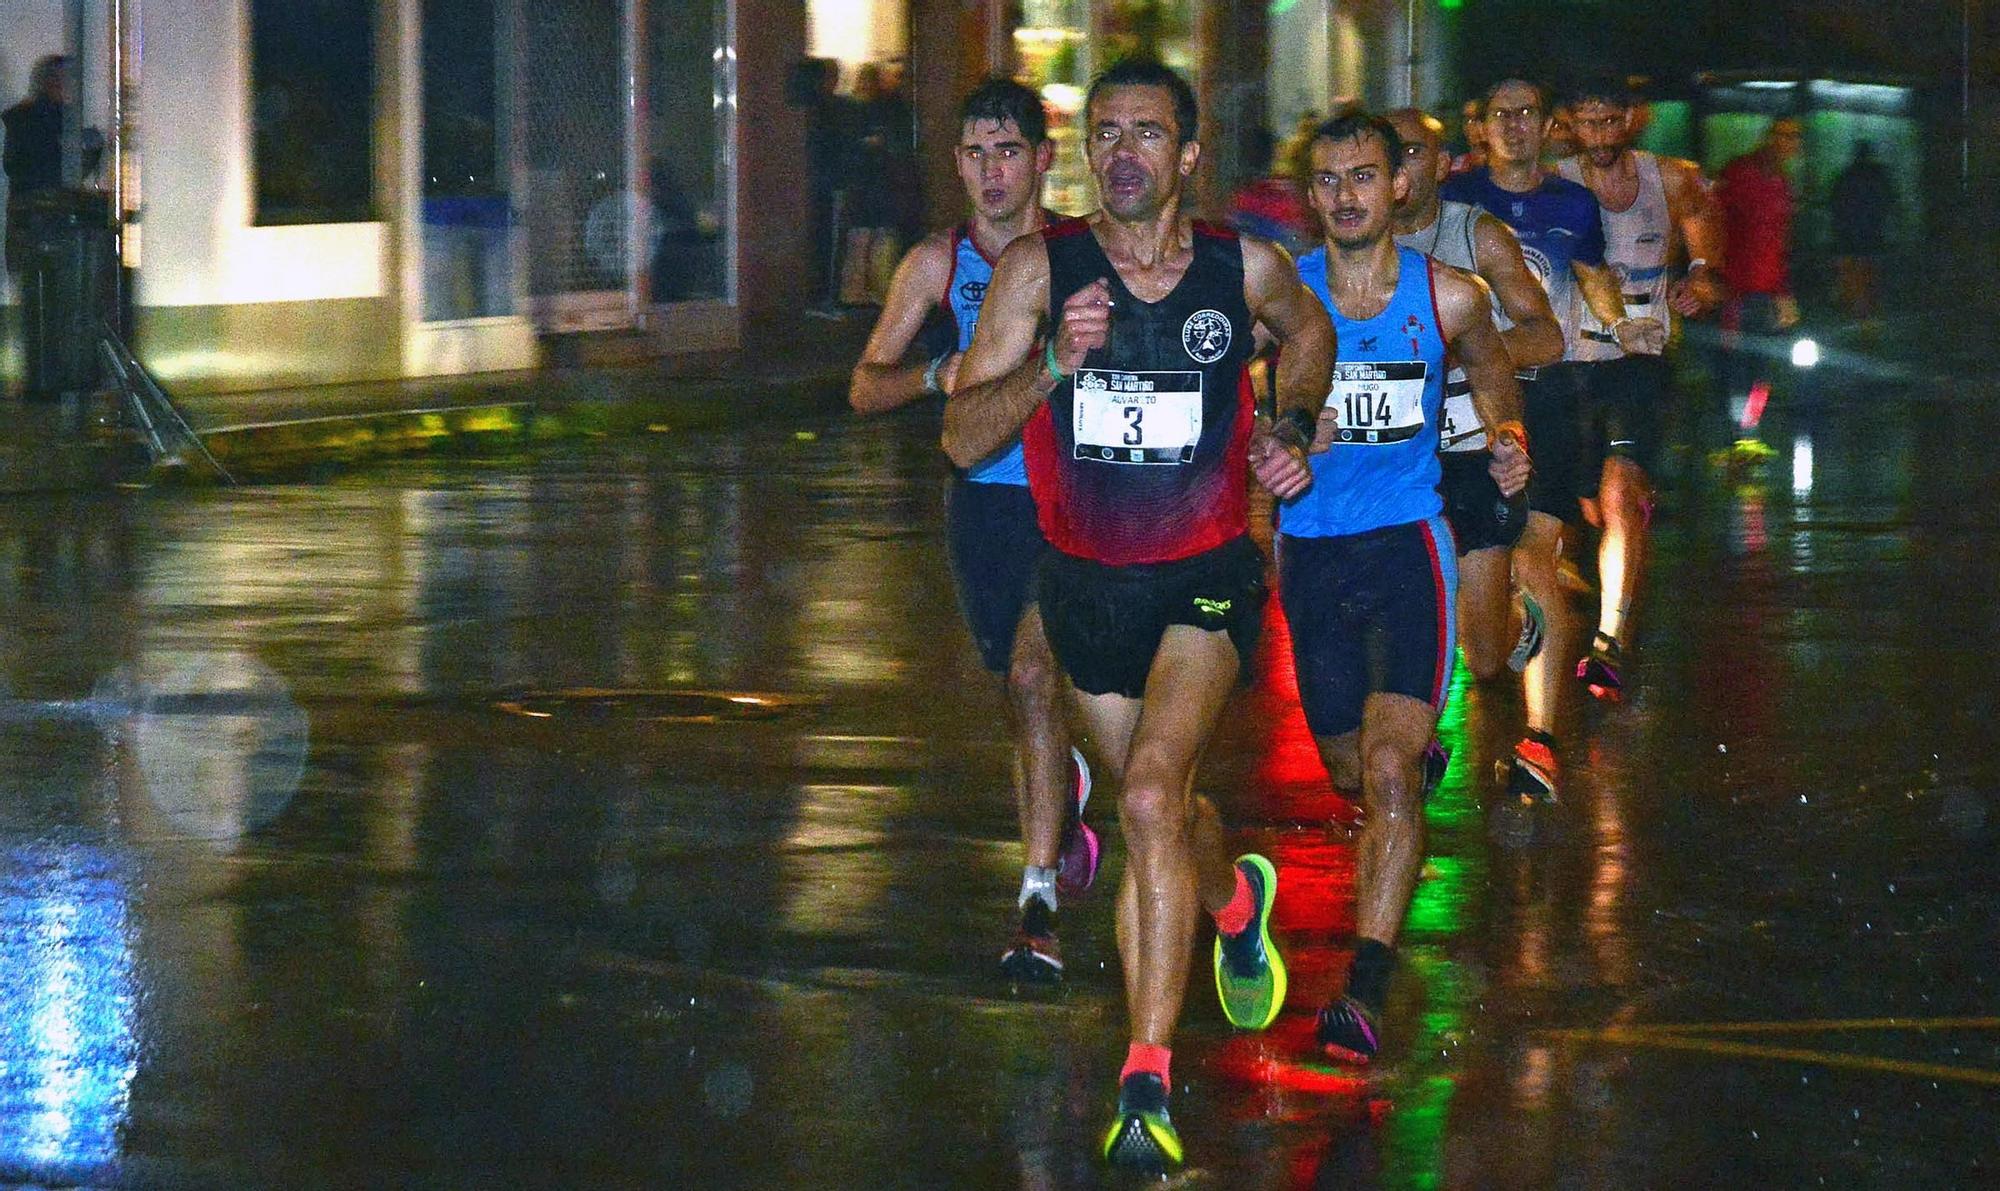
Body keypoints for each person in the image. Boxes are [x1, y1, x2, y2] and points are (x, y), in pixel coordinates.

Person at [943, 57, 1334, 1171]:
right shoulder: (1035, 272)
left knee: (1152, 794)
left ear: (1187, 153)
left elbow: (1306, 337)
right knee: (1163, 813)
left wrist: (1292, 429)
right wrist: (1051, 368)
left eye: (1146, 134)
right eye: (1103, 133)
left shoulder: (1236, 266)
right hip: (1083, 589)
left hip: (1201, 578)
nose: (1121, 153)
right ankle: (1230, 899)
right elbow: (962, 439)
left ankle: (1143, 1080)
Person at [1287, 112, 1531, 1064]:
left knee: (1390, 772)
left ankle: (1366, 986)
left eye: (1363, 176)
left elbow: (1494, 371)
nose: (1345, 195)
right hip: (1311, 553)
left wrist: (1508, 439)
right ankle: (1396, 764)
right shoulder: (1283, 296)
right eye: (1328, 180)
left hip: (1406, 547)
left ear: (1397, 188)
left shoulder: (1450, 295)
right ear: (1312, 196)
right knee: (1351, 772)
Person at [847, 79, 1098, 987]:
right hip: (984, 506)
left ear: (1042, 159)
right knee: (1021, 690)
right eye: (974, 154)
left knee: (1038, 675)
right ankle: (1060, 794)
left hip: (1076, 503)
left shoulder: (1082, 252)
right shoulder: (933, 263)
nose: (991, 173)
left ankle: (1035, 900)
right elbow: (863, 385)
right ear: (955, 163)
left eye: (1007, 152)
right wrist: (933, 375)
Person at [1442, 78, 1661, 796]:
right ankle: (1498, 638)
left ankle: (1540, 738)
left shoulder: (1572, 203)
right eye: (1498, 113)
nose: (1512, 126)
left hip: (1552, 395)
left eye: (1525, 113)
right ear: (1482, 128)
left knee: (1537, 553)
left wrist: (1623, 322)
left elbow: (1591, 276)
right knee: (1482, 630)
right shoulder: (1454, 196)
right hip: (1461, 396)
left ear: (1546, 126)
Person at [1385, 108, 1561, 751]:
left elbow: (1546, 335)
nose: (1397, 167)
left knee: (1484, 657)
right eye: (1386, 155)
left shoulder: (1475, 236)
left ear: (1440, 165)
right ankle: (1405, 749)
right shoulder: (1346, 244)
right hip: (1388, 462)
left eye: (1410, 152)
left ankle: (1518, 622)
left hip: (1467, 454)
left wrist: (1467, 349)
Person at [1559, 76, 1726, 704]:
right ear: (1569, 124)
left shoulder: (1674, 178)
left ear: (1632, 119)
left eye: (1610, 123)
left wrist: (1703, 281)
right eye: (1587, 123)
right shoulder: (1552, 182)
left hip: (1643, 358)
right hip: (1571, 359)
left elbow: (1707, 251)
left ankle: (1609, 641)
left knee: (1622, 490)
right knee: (1586, 505)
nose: (1599, 137)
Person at [1714, 118, 1802, 438]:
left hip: (1766, 291)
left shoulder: (1783, 182)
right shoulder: (1739, 174)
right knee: (1736, 365)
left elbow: (1781, 243)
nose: (1789, 144)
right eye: (1784, 136)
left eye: (1794, 138)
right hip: (1734, 290)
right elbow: (1715, 226)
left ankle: (1749, 428)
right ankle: (1738, 433)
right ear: (1769, 138)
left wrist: (1783, 292)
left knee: (1761, 366)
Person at [3, 55, 70, 283]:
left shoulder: (20, 118)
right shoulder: (32, 120)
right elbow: (17, 166)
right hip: (41, 222)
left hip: (34, 223)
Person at [1829, 140, 1894, 325]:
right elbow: (1889, 202)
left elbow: (1836, 205)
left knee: (1854, 275)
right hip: (1872, 235)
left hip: (1849, 237)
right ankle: (1869, 312)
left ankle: (1856, 311)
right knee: (1871, 273)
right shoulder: (1878, 176)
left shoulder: (1846, 176)